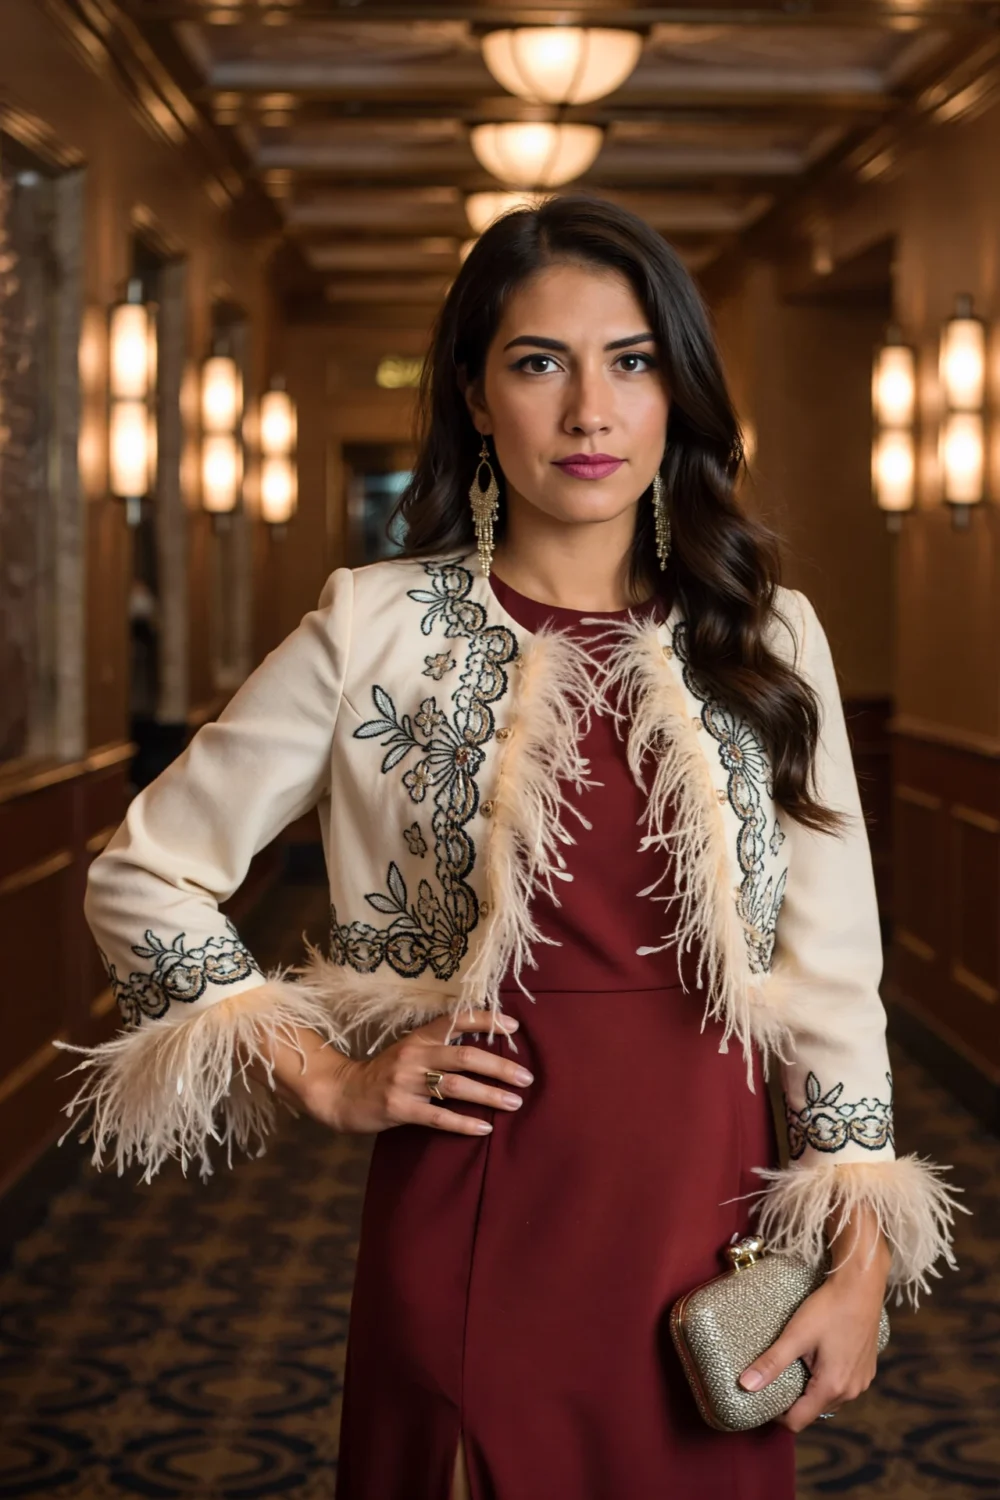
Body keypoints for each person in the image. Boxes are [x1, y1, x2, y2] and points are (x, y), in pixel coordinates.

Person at [56, 197, 962, 1500]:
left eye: (633, 361)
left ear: (678, 392)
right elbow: (144, 872)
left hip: (711, 1212)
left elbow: (832, 979)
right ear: (478, 398)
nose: (590, 410)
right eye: (540, 362)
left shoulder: (769, 639)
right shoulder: (374, 629)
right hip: (478, 1205)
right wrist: (324, 1073)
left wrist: (860, 1259)